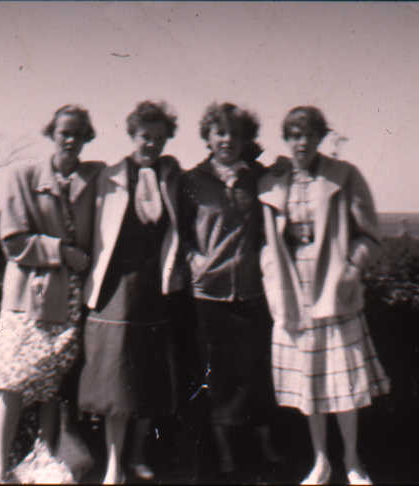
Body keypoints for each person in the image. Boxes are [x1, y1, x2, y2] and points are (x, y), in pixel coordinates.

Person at [258, 106, 391, 485]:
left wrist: (351, 271)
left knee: (345, 383)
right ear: (287, 139)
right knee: (309, 383)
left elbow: (369, 235)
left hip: (334, 291)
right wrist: (270, 269)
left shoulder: (344, 176)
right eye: (295, 135)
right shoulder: (274, 181)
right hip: (291, 290)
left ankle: (351, 459)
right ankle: (320, 462)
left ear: (320, 138)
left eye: (309, 135)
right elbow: (266, 240)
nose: (302, 143)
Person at [0, 105, 104, 482]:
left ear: (87, 138)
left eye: (79, 133)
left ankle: (44, 462)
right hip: (27, 300)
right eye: (64, 132)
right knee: (11, 379)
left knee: (51, 385)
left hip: (69, 300)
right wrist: (61, 252)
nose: (71, 139)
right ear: (51, 134)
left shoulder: (93, 178)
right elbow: (13, 240)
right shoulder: (24, 175)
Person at [78, 100, 184, 484]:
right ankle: (112, 466)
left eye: (159, 138)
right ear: (132, 135)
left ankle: (137, 455)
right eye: (145, 137)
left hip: (154, 290)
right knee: (115, 383)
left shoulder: (173, 176)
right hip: (114, 289)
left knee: (148, 382)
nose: (151, 145)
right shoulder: (109, 176)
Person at [178, 102, 281, 479]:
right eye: (220, 133)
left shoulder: (258, 178)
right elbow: (180, 233)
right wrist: (194, 261)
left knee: (256, 372)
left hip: (253, 291)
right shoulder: (191, 181)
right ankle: (225, 454)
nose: (227, 140)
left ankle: (265, 446)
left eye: (235, 134)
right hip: (209, 294)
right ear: (208, 137)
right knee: (218, 378)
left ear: (245, 140)